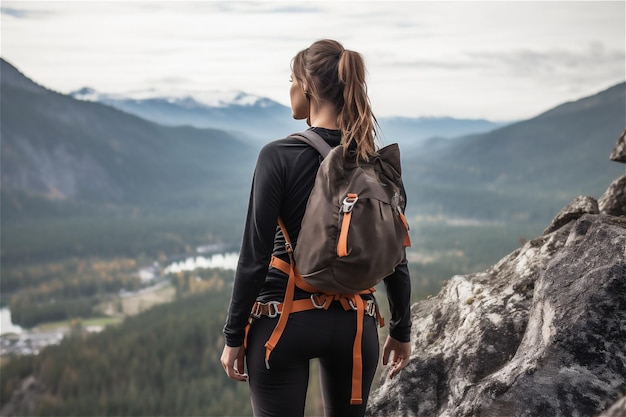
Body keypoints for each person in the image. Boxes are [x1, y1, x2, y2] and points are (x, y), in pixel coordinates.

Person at [221, 39, 412, 417]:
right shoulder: (376, 163)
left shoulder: (278, 155)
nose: (290, 89)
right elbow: (393, 254)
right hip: (355, 323)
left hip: (283, 320)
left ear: (306, 86)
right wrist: (402, 329)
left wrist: (233, 336)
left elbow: (254, 257)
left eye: (292, 80)